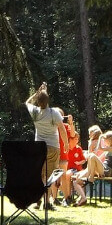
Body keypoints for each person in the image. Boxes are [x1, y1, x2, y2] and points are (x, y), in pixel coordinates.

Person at [25, 82, 68, 210]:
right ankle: (47, 203)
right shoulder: (54, 113)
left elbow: (27, 102)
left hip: (38, 148)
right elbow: (62, 129)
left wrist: (37, 93)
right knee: (49, 176)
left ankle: (38, 200)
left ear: (38, 101)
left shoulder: (35, 112)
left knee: (40, 175)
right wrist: (66, 144)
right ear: (48, 100)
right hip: (53, 147)